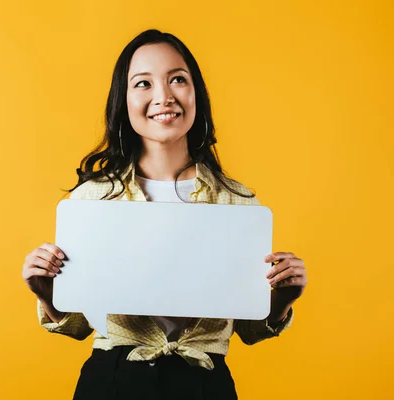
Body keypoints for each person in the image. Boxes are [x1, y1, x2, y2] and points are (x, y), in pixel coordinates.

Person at [22, 29, 307, 400]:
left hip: (205, 382)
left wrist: (282, 298)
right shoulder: (92, 199)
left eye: (178, 79)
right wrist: (47, 293)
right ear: (122, 101)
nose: (164, 96)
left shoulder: (238, 202)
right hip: (113, 380)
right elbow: (77, 326)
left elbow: (251, 330)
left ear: (197, 94)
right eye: (143, 83)